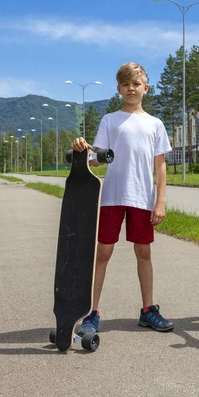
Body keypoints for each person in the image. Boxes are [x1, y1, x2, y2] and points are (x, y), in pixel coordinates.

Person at [73, 62, 174, 334]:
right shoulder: (110, 120)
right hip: (113, 197)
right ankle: (90, 312)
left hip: (142, 198)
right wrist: (84, 150)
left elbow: (160, 166)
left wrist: (160, 201)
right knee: (103, 252)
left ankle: (148, 309)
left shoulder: (155, 124)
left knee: (144, 252)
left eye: (136, 84)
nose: (131, 88)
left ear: (146, 88)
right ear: (119, 89)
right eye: (126, 84)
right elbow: (95, 158)